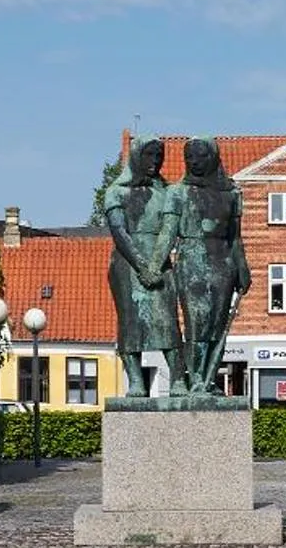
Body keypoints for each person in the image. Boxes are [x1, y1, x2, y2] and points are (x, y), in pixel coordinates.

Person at [169, 138, 249, 396]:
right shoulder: (178, 192)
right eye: (189, 156)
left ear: (212, 157)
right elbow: (168, 233)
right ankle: (196, 379)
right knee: (197, 324)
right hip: (191, 260)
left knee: (217, 324)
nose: (194, 161)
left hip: (223, 262)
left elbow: (235, 237)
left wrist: (242, 266)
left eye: (200, 156)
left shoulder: (231, 193)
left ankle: (210, 379)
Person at [101, 138, 180, 398]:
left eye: (159, 156)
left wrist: (156, 264)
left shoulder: (168, 192)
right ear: (137, 157)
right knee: (131, 322)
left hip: (160, 261)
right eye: (149, 156)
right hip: (127, 265)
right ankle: (135, 381)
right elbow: (119, 232)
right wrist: (141, 266)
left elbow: (170, 229)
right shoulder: (116, 192)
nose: (155, 161)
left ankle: (178, 380)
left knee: (167, 321)